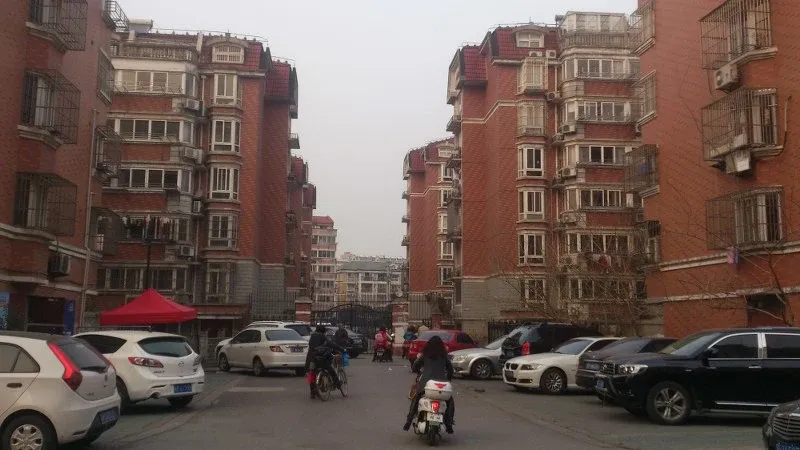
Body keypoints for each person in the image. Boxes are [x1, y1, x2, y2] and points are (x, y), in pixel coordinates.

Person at [403, 335, 455, 434]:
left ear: (428, 345)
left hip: (426, 383)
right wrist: (448, 378)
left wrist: (418, 371)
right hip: (442, 385)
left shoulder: (425, 355)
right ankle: (449, 424)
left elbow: (415, 366)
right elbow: (450, 370)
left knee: (416, 399)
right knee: (450, 402)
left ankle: (408, 421)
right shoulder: (444, 356)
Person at [305, 325, 346, 399]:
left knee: (312, 374)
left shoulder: (312, 337)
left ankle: (312, 392)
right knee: (331, 371)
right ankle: (337, 384)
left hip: (311, 359)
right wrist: (341, 349)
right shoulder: (323, 337)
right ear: (323, 331)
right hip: (321, 359)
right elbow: (331, 344)